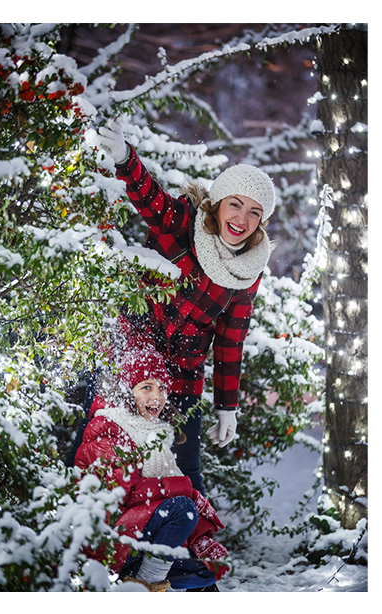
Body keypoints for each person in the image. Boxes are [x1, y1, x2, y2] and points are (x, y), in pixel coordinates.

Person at [97, 120, 275, 494]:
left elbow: (230, 342)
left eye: (254, 212)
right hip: (132, 365)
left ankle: (185, 552)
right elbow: (150, 199)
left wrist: (228, 407)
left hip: (182, 381)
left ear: (261, 221)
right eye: (236, 205)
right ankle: (111, 547)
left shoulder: (248, 271)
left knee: (184, 478)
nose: (241, 219)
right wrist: (125, 159)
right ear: (219, 203)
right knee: (110, 466)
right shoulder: (184, 225)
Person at [75, 335, 227, 592]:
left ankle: (140, 580)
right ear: (127, 391)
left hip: (139, 537)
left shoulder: (155, 433)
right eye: (146, 387)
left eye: (162, 388)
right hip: (111, 539)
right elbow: (123, 493)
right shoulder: (110, 426)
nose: (157, 396)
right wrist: (180, 488)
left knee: (206, 570)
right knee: (183, 509)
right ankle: (144, 588)